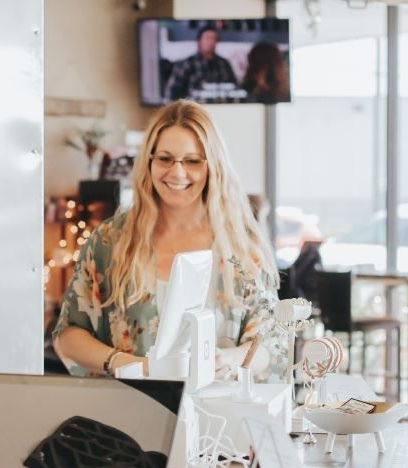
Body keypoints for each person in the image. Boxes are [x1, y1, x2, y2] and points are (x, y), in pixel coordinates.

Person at [54, 100, 286, 382]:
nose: (177, 172)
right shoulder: (111, 241)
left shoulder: (242, 246)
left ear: (213, 165)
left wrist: (232, 360)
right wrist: (128, 363)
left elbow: (271, 342)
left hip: (219, 415)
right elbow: (68, 334)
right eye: (165, 158)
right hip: (128, 413)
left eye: (192, 160)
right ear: (148, 162)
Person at [163, 26, 238, 102]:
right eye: (208, 38)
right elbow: (171, 93)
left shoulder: (224, 64)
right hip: (195, 111)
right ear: (199, 41)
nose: (211, 42)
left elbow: (234, 90)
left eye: (214, 39)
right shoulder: (187, 64)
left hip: (223, 110)